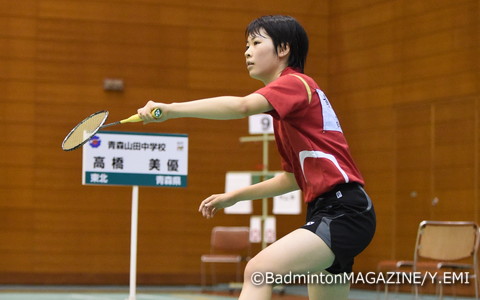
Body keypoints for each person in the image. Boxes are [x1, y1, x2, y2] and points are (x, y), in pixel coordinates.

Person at [138, 15, 376, 300]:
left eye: (255, 42)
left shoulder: (295, 83)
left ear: (284, 49)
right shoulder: (285, 113)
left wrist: (172, 109)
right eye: (246, 45)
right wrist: (234, 197)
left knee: (258, 270)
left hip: (343, 210)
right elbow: (291, 178)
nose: (247, 51)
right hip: (327, 209)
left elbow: (241, 106)